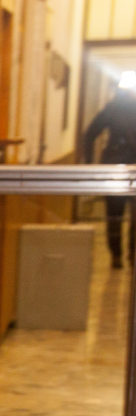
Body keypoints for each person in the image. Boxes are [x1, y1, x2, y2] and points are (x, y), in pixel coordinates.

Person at [83, 70, 136, 269]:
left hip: (117, 165)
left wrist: (90, 163)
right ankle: (123, 255)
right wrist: (89, 165)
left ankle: (122, 255)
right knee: (116, 215)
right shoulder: (113, 108)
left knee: (116, 215)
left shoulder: (112, 108)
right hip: (118, 168)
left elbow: (89, 134)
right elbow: (90, 134)